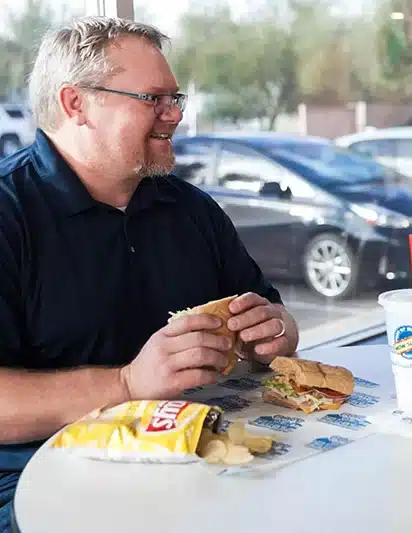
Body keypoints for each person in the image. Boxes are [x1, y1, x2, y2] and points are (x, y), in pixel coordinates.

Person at [0, 17, 299, 530]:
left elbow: (279, 328)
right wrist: (127, 383)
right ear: (77, 104)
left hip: (198, 456)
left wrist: (271, 333)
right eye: (154, 99)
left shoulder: (193, 209)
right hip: (44, 480)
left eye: (176, 98)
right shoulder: (9, 215)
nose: (175, 115)